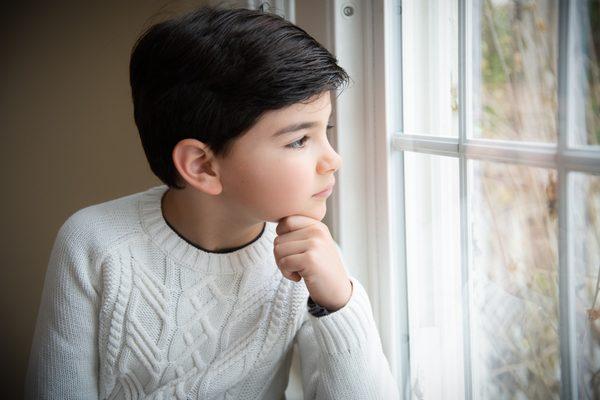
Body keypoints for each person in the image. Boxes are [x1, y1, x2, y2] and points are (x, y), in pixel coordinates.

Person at [25, 5, 400, 399]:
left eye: (326, 130)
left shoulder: (309, 261)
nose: (333, 159)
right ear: (202, 165)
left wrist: (339, 303)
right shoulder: (94, 243)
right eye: (299, 140)